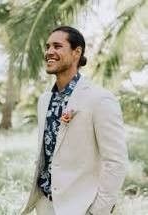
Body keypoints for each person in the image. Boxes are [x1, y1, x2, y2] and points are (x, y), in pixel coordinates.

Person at [20, 26, 128, 215]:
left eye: (57, 46)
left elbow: (116, 162)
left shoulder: (100, 99)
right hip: (44, 204)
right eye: (47, 47)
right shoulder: (44, 100)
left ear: (77, 52)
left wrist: (97, 211)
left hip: (79, 207)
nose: (49, 52)